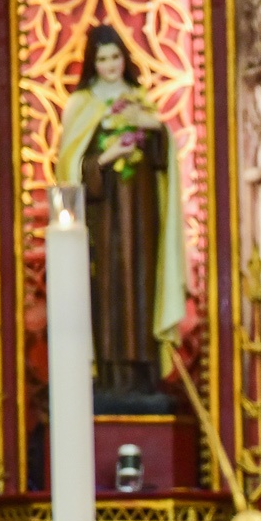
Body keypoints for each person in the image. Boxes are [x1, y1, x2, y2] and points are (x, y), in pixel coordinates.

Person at [55, 23, 186, 411]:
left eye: (116, 57)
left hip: (143, 216)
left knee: (141, 286)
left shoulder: (139, 101)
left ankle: (144, 375)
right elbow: (70, 169)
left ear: (124, 60)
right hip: (103, 219)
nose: (111, 65)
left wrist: (155, 130)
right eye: (103, 58)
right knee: (110, 291)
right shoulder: (82, 105)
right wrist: (108, 158)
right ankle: (110, 375)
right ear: (92, 64)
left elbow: (163, 159)